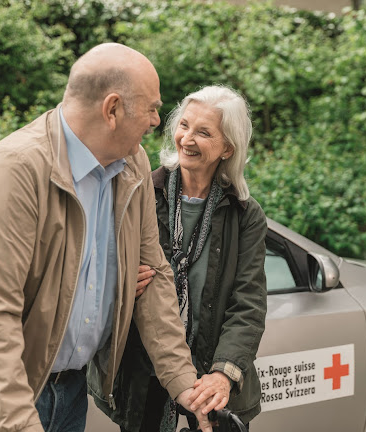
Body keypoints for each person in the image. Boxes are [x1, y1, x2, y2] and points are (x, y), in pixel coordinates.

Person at [0, 43, 215, 432]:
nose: (156, 120)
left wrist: (183, 382)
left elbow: (155, 278)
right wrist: (19, 424)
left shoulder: (133, 165)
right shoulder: (16, 171)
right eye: (151, 107)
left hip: (69, 392)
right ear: (112, 109)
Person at [108, 85, 268, 432]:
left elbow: (248, 305)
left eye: (204, 132)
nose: (187, 139)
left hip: (212, 384)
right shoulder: (140, 195)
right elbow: (96, 269)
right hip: (144, 378)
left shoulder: (245, 215)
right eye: (184, 125)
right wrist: (115, 283)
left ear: (228, 148)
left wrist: (223, 375)